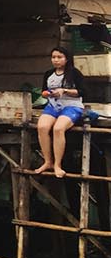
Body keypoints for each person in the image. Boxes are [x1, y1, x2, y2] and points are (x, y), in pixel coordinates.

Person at [34, 46, 87, 177]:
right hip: (53, 106)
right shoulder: (48, 74)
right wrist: (46, 94)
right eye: (53, 57)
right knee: (42, 127)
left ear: (66, 59)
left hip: (72, 106)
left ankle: (58, 165)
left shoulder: (74, 73)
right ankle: (47, 162)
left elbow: (82, 92)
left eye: (59, 57)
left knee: (58, 129)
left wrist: (65, 90)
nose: (56, 60)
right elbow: (44, 91)